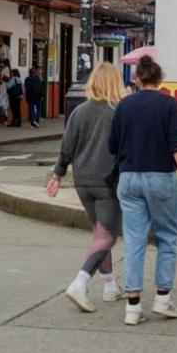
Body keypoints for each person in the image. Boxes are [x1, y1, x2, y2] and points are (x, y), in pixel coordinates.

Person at [108, 54, 177, 325]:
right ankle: (162, 300)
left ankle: (133, 308)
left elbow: (112, 145)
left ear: (136, 79)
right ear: (160, 79)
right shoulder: (169, 104)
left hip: (129, 177)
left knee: (134, 240)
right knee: (167, 236)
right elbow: (176, 143)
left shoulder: (123, 106)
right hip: (160, 177)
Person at [48, 63, 125, 312]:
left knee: (99, 234)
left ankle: (110, 285)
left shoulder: (78, 112)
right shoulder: (117, 113)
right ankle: (80, 283)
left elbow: (67, 146)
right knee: (108, 236)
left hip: (82, 181)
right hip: (107, 182)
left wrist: (57, 174)